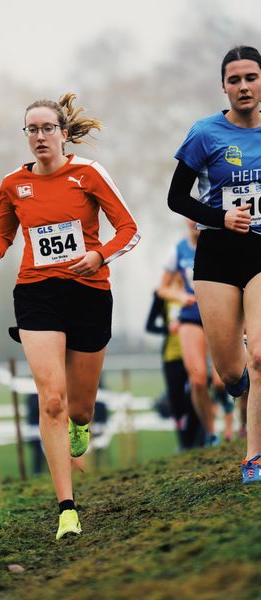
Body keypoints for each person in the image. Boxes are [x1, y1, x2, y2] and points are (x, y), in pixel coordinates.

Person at [0, 93, 140, 538]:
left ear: (64, 135)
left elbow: (129, 229)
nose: (39, 136)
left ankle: (80, 427)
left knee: (81, 408)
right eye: (31, 129)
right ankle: (67, 507)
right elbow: (2, 227)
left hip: (88, 291)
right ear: (26, 137)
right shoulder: (13, 183)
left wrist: (99, 256)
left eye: (47, 128)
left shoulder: (88, 174)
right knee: (51, 398)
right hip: (37, 292)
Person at [167, 46, 261, 483]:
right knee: (229, 371)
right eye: (235, 79)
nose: (243, 86)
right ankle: (239, 384)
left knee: (260, 354)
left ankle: (253, 458)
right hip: (219, 253)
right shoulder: (205, 133)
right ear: (224, 85)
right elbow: (177, 198)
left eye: (251, 77)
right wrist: (220, 217)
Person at [158, 220, 225, 447]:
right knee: (196, 380)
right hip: (191, 318)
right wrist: (180, 297)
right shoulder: (178, 251)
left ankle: (225, 399)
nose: (196, 224)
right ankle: (211, 432)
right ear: (187, 222)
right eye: (191, 220)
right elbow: (162, 288)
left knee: (220, 381)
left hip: (217, 314)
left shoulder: (220, 246)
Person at [145, 288, 204, 450]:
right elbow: (149, 326)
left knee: (196, 396)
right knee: (177, 402)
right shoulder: (163, 295)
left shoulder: (196, 290)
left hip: (196, 353)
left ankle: (198, 441)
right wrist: (167, 328)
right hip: (172, 356)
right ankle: (184, 443)